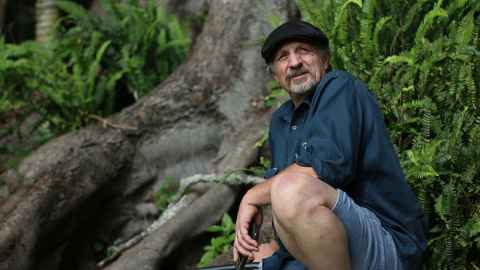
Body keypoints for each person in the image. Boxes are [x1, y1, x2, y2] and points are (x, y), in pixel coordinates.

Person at [233, 20, 427, 270]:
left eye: (304, 50)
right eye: (283, 57)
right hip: (336, 248)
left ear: (325, 60)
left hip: (387, 243)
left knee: (289, 187)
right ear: (275, 74)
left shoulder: (339, 87)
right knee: (262, 249)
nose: (294, 62)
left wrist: (252, 196)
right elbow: (294, 209)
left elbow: (327, 169)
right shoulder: (281, 121)